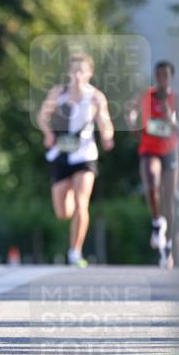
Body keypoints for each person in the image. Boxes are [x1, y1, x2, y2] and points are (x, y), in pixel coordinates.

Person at [37, 53, 114, 267]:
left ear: (90, 73)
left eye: (82, 71)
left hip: (85, 155)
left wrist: (107, 136)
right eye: (74, 70)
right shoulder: (58, 93)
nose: (78, 75)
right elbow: (42, 117)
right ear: (69, 73)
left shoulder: (96, 97)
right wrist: (47, 133)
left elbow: (105, 121)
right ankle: (68, 192)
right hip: (61, 154)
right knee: (63, 212)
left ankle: (75, 251)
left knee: (82, 203)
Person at [125, 61, 179, 268]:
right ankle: (157, 222)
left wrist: (172, 121)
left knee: (169, 200)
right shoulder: (144, 96)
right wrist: (131, 119)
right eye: (158, 75)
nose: (161, 79)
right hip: (149, 149)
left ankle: (167, 245)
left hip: (170, 152)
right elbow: (133, 128)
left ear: (171, 77)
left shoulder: (177, 100)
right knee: (151, 180)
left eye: (165, 75)